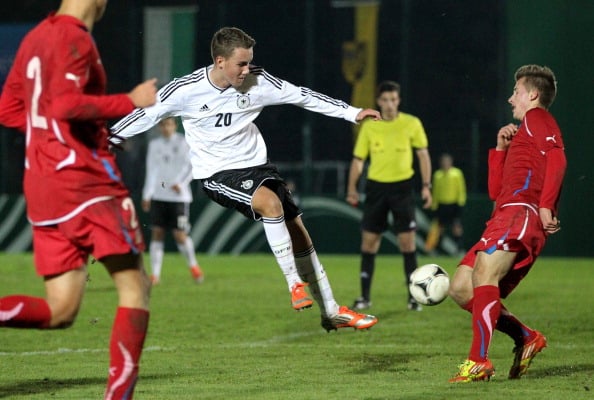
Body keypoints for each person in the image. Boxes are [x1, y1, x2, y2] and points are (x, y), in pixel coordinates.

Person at [111, 26, 381, 332]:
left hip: (259, 168)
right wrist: (107, 139)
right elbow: (144, 116)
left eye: (249, 62)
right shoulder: (185, 90)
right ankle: (294, 283)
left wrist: (352, 113)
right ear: (219, 61)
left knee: (300, 235)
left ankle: (332, 311)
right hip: (218, 173)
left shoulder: (258, 81)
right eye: (241, 63)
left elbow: (303, 96)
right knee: (271, 205)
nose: (247, 69)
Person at [0, 1, 157, 399]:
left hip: (42, 187)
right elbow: (66, 105)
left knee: (60, 311)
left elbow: (9, 109)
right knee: (135, 286)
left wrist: (51, 134)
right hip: (85, 183)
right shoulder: (74, 38)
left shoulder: (36, 37)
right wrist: (129, 101)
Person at [448, 65, 566, 383]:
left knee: (484, 275)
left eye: (516, 92)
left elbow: (558, 157)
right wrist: (501, 149)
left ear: (533, 94)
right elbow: (495, 191)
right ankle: (526, 337)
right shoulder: (522, 132)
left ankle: (478, 361)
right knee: (460, 287)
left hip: (522, 213)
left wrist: (546, 206)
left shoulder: (538, 117)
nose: (510, 97)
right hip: (504, 214)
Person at [346, 80, 432, 312]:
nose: (389, 104)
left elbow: (423, 155)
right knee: (369, 242)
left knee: (407, 242)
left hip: (402, 188)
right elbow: (358, 161)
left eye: (393, 99)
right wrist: (352, 188)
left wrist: (426, 185)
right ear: (378, 101)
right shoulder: (370, 126)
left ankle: (414, 297)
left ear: (399, 100)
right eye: (385, 100)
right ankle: (364, 297)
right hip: (376, 189)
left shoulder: (411, 123)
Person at [141, 117, 204, 285]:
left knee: (180, 235)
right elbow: (151, 170)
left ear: (175, 126)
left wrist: (181, 184)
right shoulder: (154, 145)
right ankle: (155, 275)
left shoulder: (185, 143)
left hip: (179, 197)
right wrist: (147, 195)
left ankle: (194, 266)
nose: (166, 128)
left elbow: (192, 166)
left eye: (169, 124)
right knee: (157, 233)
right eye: (162, 125)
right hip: (159, 196)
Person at [424, 153, 467, 255]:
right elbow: (435, 191)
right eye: (443, 162)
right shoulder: (437, 175)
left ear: (450, 162)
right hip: (441, 205)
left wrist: (460, 202)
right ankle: (439, 248)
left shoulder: (457, 174)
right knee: (440, 227)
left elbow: (461, 188)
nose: (445, 164)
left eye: (447, 162)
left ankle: (459, 247)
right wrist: (434, 204)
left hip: (454, 204)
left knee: (456, 226)